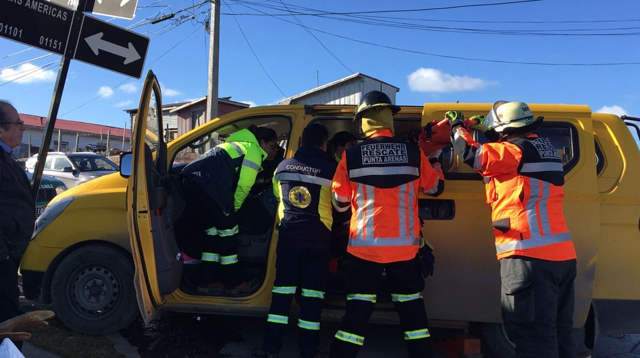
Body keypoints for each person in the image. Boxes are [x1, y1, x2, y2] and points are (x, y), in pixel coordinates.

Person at [446, 102, 577, 357]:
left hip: (529, 257)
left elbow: (473, 154)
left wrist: (457, 126)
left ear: (505, 129)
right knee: (559, 331)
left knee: (532, 334)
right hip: (561, 257)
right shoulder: (545, 149)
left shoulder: (513, 151)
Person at [329, 91, 444, 358]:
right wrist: (435, 158)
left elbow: (339, 202)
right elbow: (435, 187)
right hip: (405, 251)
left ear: (363, 121)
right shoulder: (414, 154)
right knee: (412, 312)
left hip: (364, 250)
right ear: (390, 118)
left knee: (357, 312)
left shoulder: (351, 156)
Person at [252, 123, 335, 358]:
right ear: (324, 144)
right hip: (318, 239)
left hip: (288, 237)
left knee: (281, 295)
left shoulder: (282, 167)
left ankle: (270, 348)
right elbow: (340, 203)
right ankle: (308, 351)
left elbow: (278, 196)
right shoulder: (331, 169)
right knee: (312, 296)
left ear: (300, 143)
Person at [180, 124, 279, 295]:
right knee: (228, 232)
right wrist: (234, 210)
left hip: (191, 185)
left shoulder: (237, 144)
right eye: (271, 147)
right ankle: (236, 283)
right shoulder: (253, 151)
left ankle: (207, 281)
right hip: (210, 188)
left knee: (212, 232)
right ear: (261, 142)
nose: (273, 152)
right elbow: (244, 186)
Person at [0, 100, 34, 351]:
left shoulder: (7, 158)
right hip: (2, 259)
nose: (23, 128)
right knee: (8, 322)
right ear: (1, 129)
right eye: (18, 123)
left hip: (9, 257)